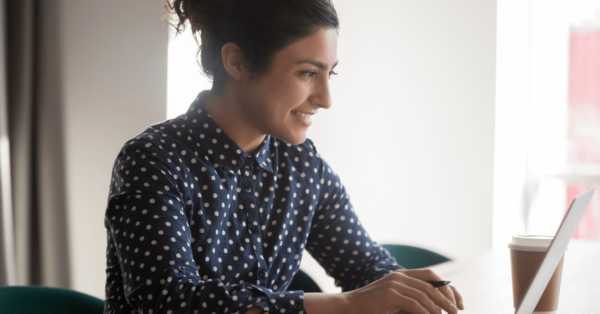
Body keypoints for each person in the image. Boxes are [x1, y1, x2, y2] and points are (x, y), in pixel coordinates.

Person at [102, 0, 465, 313]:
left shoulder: (301, 163)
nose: (325, 99)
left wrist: (415, 294)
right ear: (237, 63)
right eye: (308, 73)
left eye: (329, 74)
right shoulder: (152, 160)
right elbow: (169, 301)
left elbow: (365, 266)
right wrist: (352, 305)